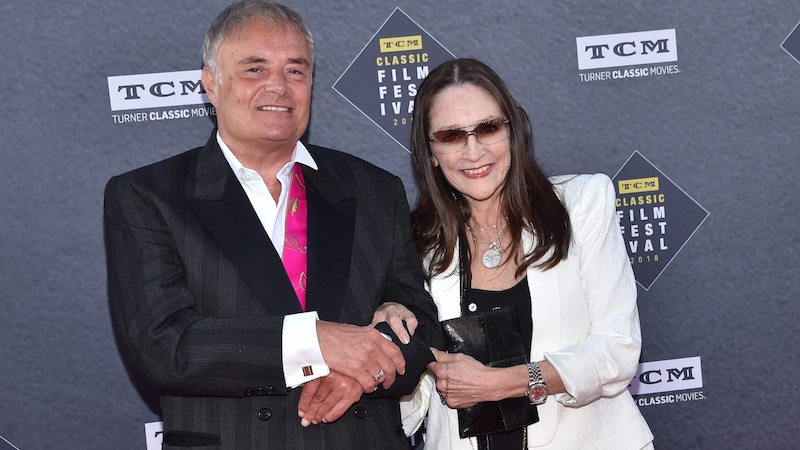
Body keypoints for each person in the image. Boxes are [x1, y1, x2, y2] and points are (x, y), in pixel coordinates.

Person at [103, 1, 441, 449]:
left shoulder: (375, 189)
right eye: (254, 69)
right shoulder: (148, 196)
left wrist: (364, 371)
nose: (279, 87)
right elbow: (165, 347)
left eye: (296, 71)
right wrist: (315, 342)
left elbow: (422, 328)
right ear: (211, 84)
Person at [373, 58, 654, 449]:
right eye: (452, 136)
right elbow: (415, 402)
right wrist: (390, 341)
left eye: (488, 128)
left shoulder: (581, 204)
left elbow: (617, 350)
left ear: (513, 130)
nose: (474, 152)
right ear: (431, 152)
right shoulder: (415, 243)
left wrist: (502, 383)